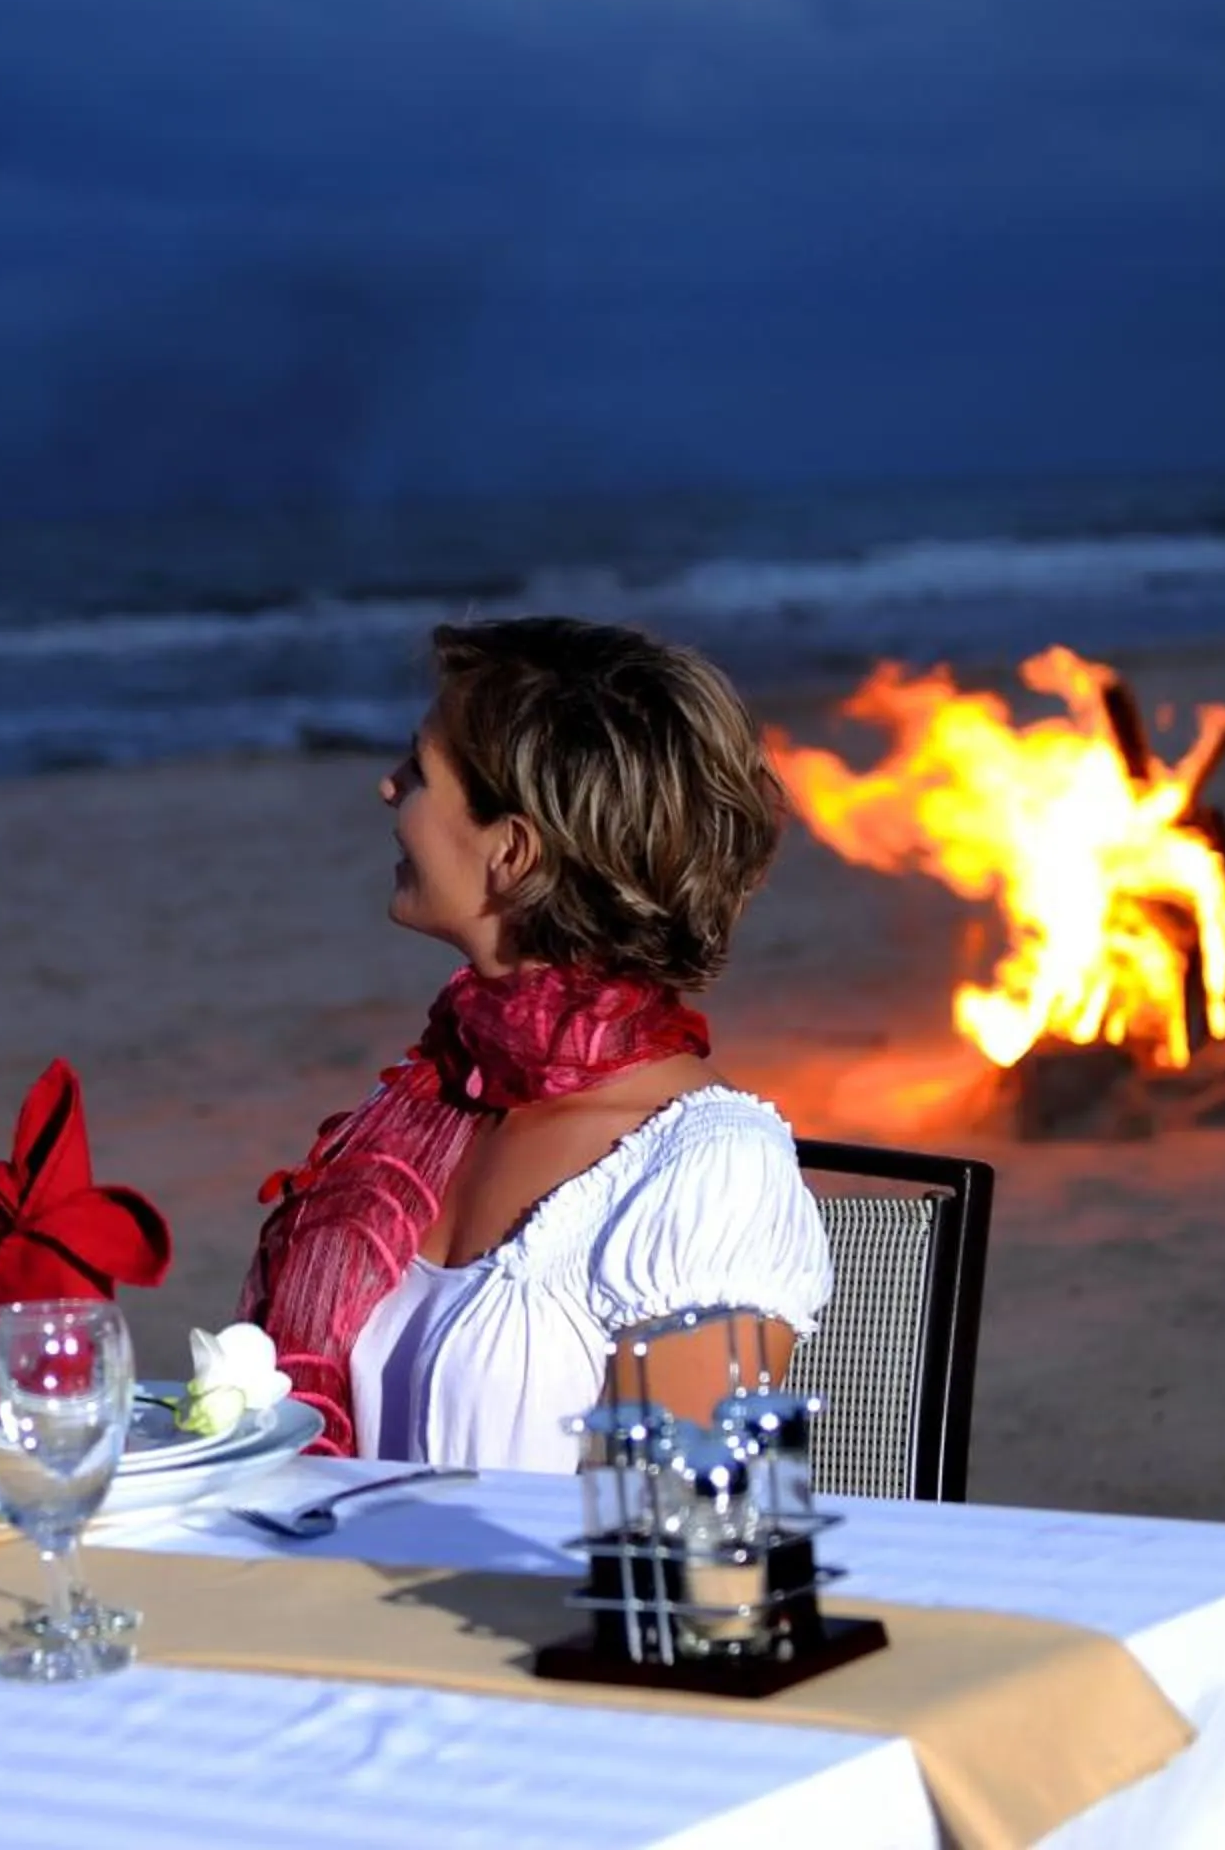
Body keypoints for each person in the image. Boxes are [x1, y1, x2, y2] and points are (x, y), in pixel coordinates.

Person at [239, 616, 831, 1469]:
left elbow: (688, 1548)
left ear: (512, 852)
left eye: (419, 771)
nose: (387, 789)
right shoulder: (434, 1102)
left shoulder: (705, 1170)